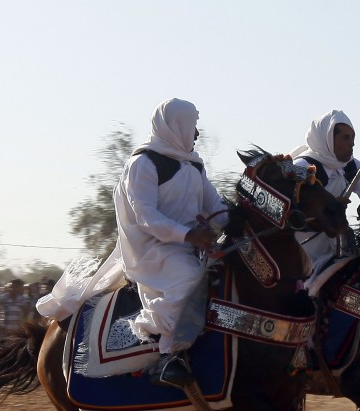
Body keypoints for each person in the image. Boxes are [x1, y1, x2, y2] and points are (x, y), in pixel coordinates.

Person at [39, 98, 229, 388]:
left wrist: (246, 218)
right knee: (190, 279)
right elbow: (146, 217)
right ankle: (168, 355)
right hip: (153, 251)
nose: (197, 134)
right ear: (176, 126)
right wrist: (188, 235)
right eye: (193, 127)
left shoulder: (193, 166)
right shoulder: (143, 163)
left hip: (188, 247)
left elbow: (216, 207)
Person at [289, 110, 360, 275]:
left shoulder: (354, 167)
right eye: (346, 138)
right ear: (328, 139)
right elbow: (291, 212)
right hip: (302, 248)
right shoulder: (301, 167)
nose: (352, 143)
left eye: (353, 138)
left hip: (337, 243)